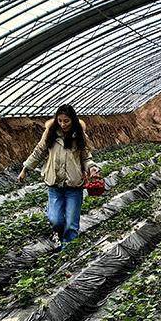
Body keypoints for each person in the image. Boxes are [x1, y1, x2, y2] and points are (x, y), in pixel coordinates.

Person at [17, 104, 99, 245]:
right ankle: (61, 237)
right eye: (60, 120)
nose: (63, 124)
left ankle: (67, 253)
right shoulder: (50, 133)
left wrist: (92, 168)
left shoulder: (79, 135)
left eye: (66, 120)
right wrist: (25, 169)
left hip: (74, 185)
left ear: (72, 120)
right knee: (56, 220)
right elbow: (38, 152)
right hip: (54, 184)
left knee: (71, 225)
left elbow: (86, 157)